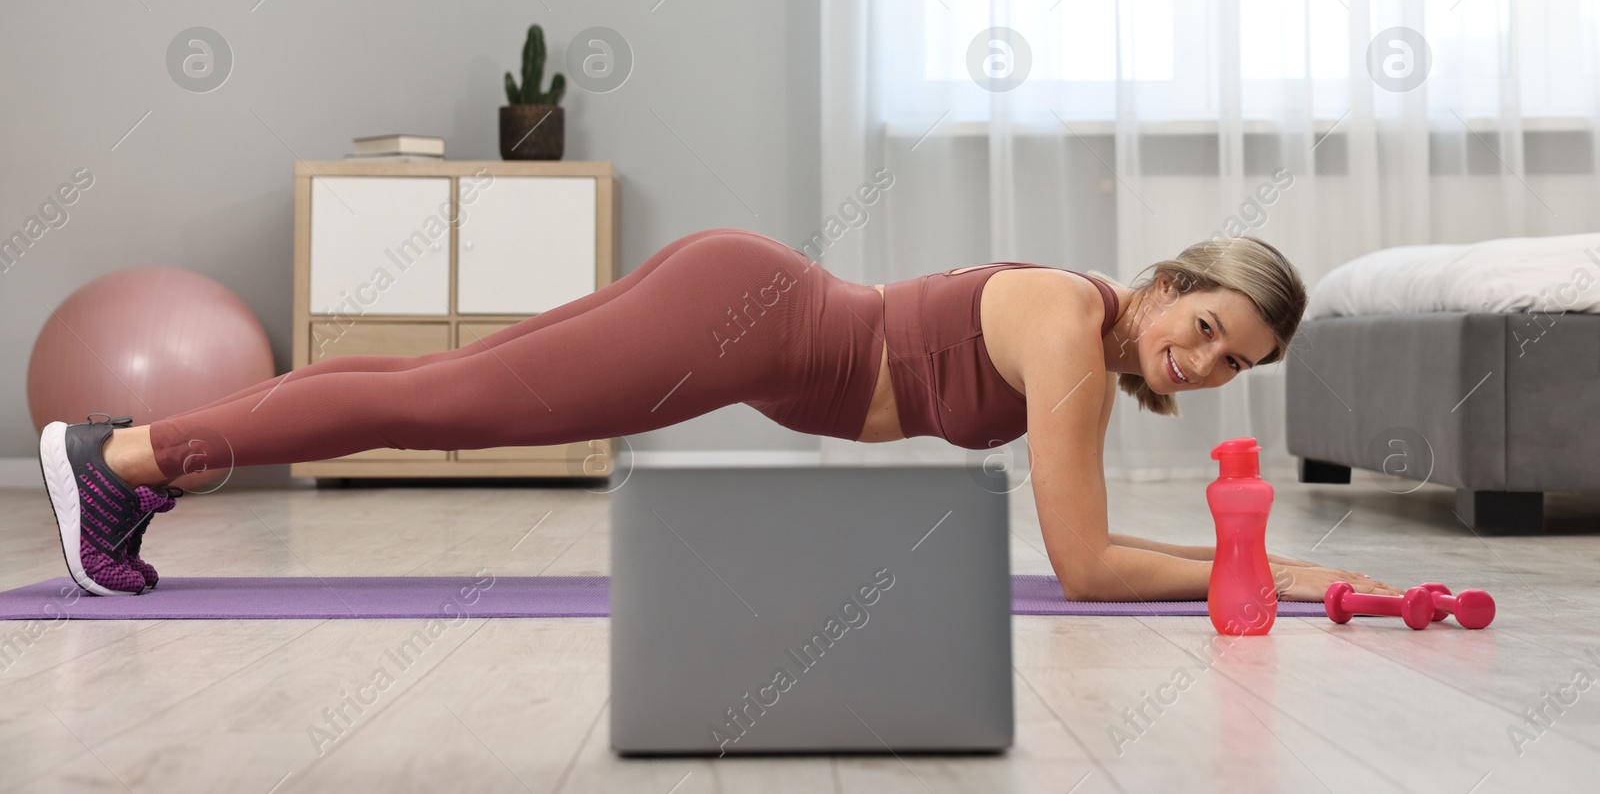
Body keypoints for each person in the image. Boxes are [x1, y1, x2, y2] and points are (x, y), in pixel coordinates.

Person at [39, 227, 1397, 600]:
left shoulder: (1091, 335)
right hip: (750, 317)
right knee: (445, 405)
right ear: (1166, 283)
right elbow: (1088, 568)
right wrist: (1267, 570)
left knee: (428, 389)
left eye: (1234, 366)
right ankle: (129, 452)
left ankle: (137, 452)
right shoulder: (1069, 329)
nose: (1205, 362)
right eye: (1206, 325)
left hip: (742, 307)